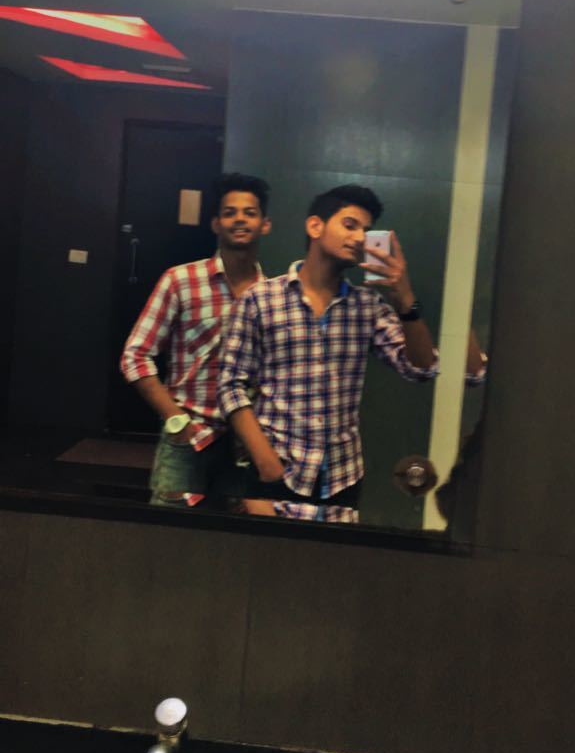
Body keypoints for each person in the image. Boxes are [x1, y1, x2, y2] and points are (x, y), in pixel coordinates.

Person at [217, 184, 439, 523]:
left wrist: (406, 299)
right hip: (275, 473)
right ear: (315, 226)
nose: (360, 238)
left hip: (342, 478)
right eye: (350, 225)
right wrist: (264, 464)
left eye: (366, 230)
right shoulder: (260, 300)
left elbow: (420, 369)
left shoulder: (368, 307)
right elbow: (230, 386)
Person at [120, 172, 271, 507]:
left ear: (265, 225)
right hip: (187, 440)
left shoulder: (272, 296)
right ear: (216, 224)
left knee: (234, 536)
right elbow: (135, 356)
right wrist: (176, 419)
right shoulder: (180, 281)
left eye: (250, 212)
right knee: (168, 533)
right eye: (230, 213)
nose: (240, 219)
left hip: (244, 445)